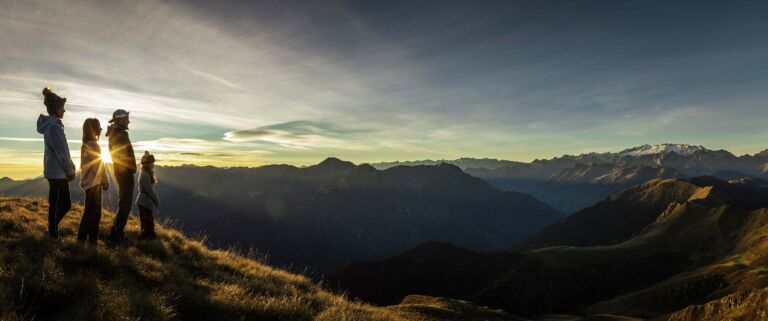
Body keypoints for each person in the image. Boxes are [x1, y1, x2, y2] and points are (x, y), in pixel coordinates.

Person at [36, 87, 75, 242]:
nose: (64, 110)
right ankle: (53, 235)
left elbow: (62, 150)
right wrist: (70, 170)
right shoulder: (54, 127)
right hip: (57, 172)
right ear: (55, 108)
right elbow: (62, 152)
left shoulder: (54, 125)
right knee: (63, 204)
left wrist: (69, 167)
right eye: (62, 107)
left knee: (57, 204)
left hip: (54, 171)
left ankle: (52, 231)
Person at [106, 109, 136, 243]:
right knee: (126, 203)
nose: (128, 121)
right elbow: (121, 155)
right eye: (126, 118)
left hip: (121, 171)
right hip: (124, 173)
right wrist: (128, 169)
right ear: (119, 119)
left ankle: (117, 232)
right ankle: (116, 235)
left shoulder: (116, 133)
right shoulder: (120, 135)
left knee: (124, 202)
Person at [78, 118, 109, 245]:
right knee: (93, 215)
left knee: (91, 214)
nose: (101, 129)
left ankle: (89, 242)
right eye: (99, 126)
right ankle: (85, 242)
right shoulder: (94, 145)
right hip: (94, 184)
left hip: (87, 183)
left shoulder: (85, 145)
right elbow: (98, 166)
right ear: (93, 129)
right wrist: (105, 181)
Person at [136, 151, 158, 239]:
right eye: (151, 163)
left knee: (147, 222)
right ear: (147, 164)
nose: (153, 164)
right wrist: (156, 200)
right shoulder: (145, 175)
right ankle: (145, 240)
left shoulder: (145, 174)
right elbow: (149, 191)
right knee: (148, 223)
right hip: (144, 202)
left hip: (144, 202)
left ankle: (147, 238)